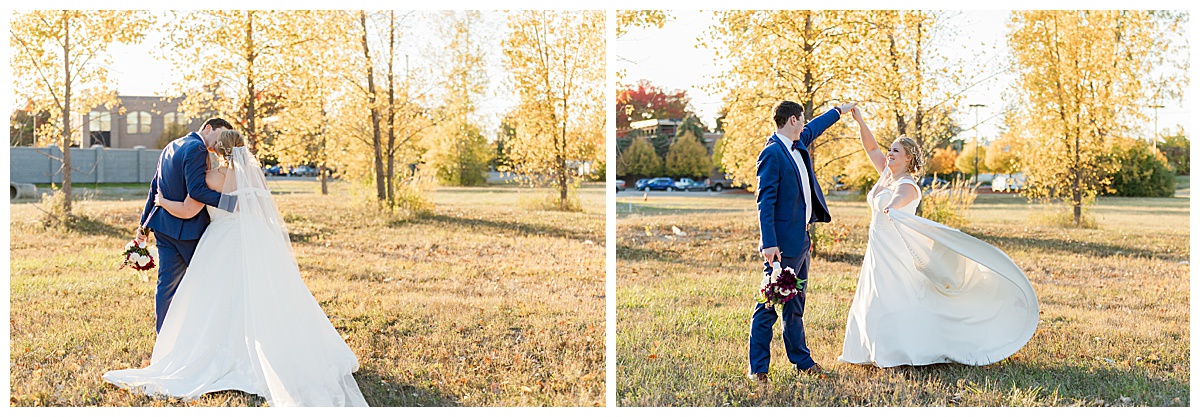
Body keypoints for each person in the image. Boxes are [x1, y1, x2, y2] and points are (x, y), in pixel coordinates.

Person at [104, 130, 368, 406]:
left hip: (219, 239)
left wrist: (160, 204)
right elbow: (263, 208)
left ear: (217, 150)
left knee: (210, 297)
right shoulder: (256, 176)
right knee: (266, 293)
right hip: (257, 238)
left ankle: (179, 346)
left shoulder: (211, 177)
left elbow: (188, 208)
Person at [838, 106, 1038, 368]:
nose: (889, 154)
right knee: (874, 294)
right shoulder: (887, 175)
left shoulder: (907, 185)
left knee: (894, 295)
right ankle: (873, 349)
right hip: (877, 248)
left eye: (896, 151)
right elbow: (872, 149)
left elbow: (899, 202)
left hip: (895, 251)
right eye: (891, 150)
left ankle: (900, 350)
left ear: (908, 158)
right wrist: (860, 121)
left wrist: (891, 207)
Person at [748, 100, 856, 382]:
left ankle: (802, 361)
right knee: (768, 305)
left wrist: (840, 111)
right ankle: (758, 369)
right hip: (781, 246)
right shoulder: (772, 153)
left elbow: (817, 127)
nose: (806, 124)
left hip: (802, 240)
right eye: (802, 120)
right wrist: (769, 243)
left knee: (795, 305)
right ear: (793, 120)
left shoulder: (798, 142)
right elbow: (765, 201)